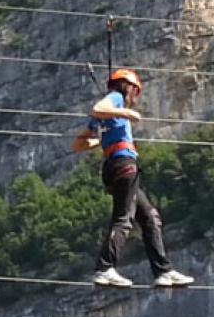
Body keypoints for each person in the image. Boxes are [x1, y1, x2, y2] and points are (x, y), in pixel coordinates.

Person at [75, 68, 193, 288]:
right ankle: (105, 268)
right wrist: (126, 114)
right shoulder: (116, 99)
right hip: (123, 164)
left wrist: (102, 140)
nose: (134, 99)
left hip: (115, 165)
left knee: (150, 217)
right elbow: (99, 107)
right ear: (129, 88)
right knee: (124, 218)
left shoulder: (105, 116)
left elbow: (78, 144)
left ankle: (163, 271)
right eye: (135, 93)